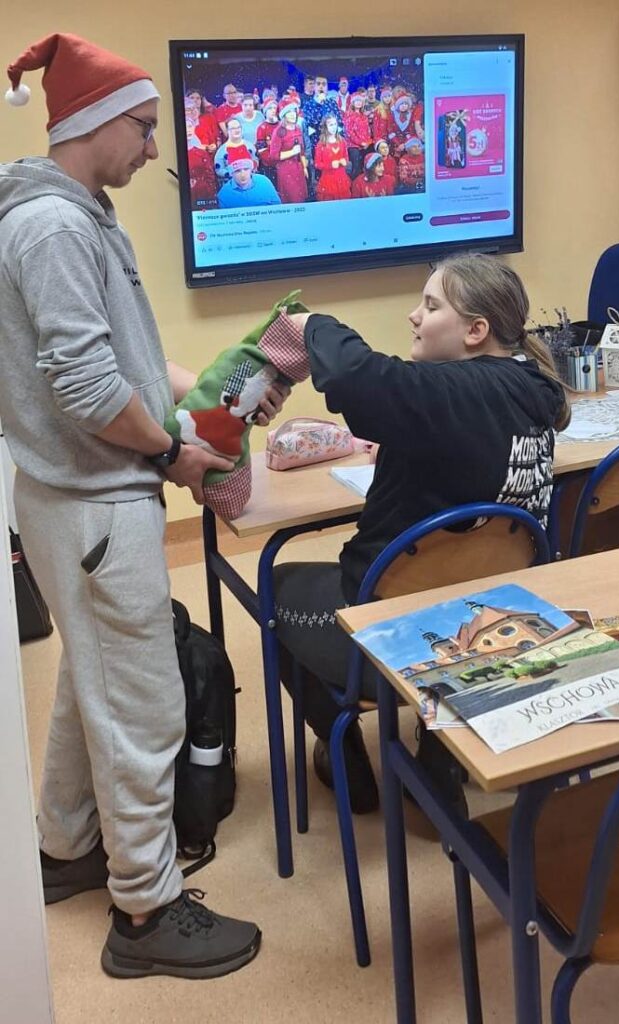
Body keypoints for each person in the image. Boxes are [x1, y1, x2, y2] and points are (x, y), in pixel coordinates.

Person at [0, 32, 289, 979]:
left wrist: (213, 394)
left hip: (76, 497)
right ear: (93, 123)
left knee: (91, 681)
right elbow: (88, 387)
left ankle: (65, 847)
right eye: (145, 128)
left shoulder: (82, 213)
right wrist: (172, 452)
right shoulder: (54, 228)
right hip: (95, 501)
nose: (158, 148)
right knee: (142, 708)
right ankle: (144, 911)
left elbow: (125, 356)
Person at [274, 255, 570, 813]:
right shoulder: (534, 389)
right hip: (496, 626)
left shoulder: (448, 392)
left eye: (431, 306)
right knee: (457, 577)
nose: (414, 316)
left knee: (276, 584)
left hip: (400, 636)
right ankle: (437, 754)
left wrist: (312, 324)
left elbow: (356, 377)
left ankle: (343, 756)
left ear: (475, 331)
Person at [269, 99, 308, 204]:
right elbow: (273, 155)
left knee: (301, 198)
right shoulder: (279, 131)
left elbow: (301, 150)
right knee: (292, 199)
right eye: (289, 112)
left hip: (298, 168)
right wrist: (292, 152)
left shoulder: (298, 128)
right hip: (286, 170)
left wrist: (304, 167)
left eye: (294, 111)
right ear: (284, 115)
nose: (292, 114)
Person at [217, 157, 281, 208]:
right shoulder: (224, 194)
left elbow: (278, 207)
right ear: (231, 173)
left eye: (246, 169)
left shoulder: (264, 182)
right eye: (237, 171)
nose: (243, 174)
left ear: (251, 170)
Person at [314, 114, 351, 202]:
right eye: (331, 125)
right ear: (325, 127)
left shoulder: (342, 141)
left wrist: (345, 161)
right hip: (328, 180)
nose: (334, 127)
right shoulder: (321, 144)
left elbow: (346, 157)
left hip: (341, 178)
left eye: (335, 124)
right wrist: (330, 165)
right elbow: (317, 164)